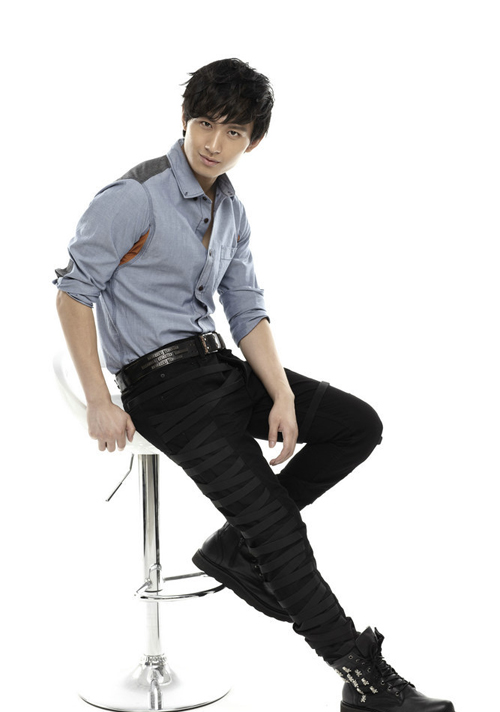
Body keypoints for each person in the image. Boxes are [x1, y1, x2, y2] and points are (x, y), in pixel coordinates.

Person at [54, 58, 455, 712]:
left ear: (254, 141)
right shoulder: (134, 196)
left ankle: (236, 547)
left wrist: (284, 397)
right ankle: (363, 678)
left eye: (233, 131)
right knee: (275, 526)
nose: (214, 142)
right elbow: (74, 294)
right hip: (164, 391)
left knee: (357, 426)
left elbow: (245, 309)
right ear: (185, 120)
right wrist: (99, 400)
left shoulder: (231, 210)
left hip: (220, 371)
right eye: (204, 124)